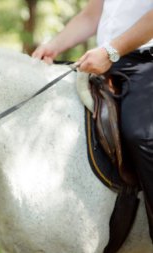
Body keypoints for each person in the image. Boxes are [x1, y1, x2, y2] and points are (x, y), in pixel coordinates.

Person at [32, 0, 153, 241]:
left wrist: (111, 50)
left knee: (142, 135)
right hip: (103, 63)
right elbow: (91, 15)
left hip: (145, 64)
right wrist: (54, 45)